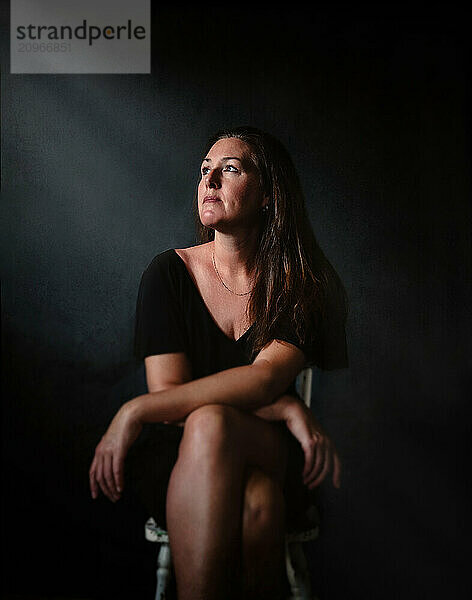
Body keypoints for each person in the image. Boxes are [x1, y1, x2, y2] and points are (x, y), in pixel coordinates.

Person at [89, 126, 348, 600]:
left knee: (212, 423)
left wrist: (133, 411)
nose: (208, 182)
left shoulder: (302, 284)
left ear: (269, 195)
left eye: (229, 169)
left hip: (269, 448)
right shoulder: (168, 273)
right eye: (205, 170)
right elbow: (172, 402)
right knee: (257, 501)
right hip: (180, 450)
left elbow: (265, 379)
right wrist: (288, 408)